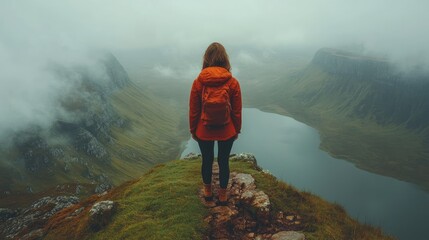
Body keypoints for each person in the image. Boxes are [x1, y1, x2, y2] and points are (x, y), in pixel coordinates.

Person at [189, 42, 242, 205]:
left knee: (207, 160)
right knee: (223, 161)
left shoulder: (198, 82)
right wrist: (236, 130)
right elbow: (237, 111)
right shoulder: (232, 82)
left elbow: (194, 110)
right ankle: (223, 195)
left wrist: (193, 130)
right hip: (227, 130)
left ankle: (207, 193)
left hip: (204, 130)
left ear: (206, 59)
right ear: (224, 59)